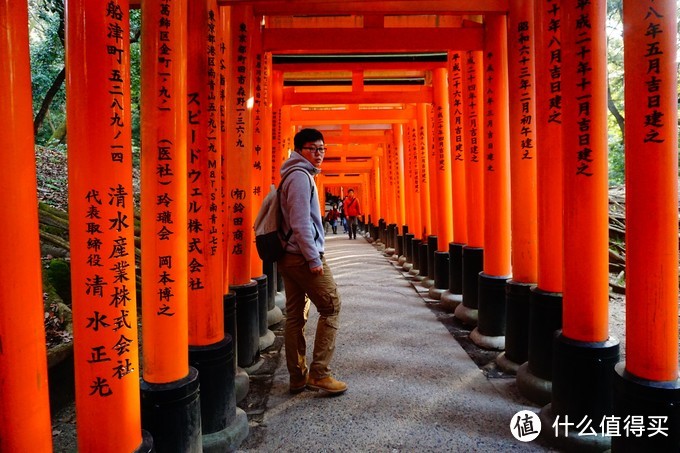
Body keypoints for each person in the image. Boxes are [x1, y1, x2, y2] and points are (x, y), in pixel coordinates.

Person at [277, 128, 347, 395]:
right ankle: (319, 373)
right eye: (312, 148)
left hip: (290, 256)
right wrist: (313, 258)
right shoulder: (300, 177)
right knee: (331, 307)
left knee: (296, 315)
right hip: (302, 257)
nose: (318, 154)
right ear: (299, 150)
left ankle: (297, 376)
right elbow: (300, 222)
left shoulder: (293, 174)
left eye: (322, 149)